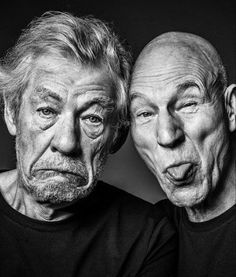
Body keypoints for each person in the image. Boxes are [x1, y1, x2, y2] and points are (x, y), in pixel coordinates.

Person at [0, 11, 177, 277]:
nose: (66, 142)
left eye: (93, 118)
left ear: (116, 136)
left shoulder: (148, 238)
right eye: (47, 111)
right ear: (11, 114)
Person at [129, 31, 236, 277]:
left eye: (188, 104)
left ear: (230, 109)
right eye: (145, 113)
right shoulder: (151, 232)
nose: (167, 135)